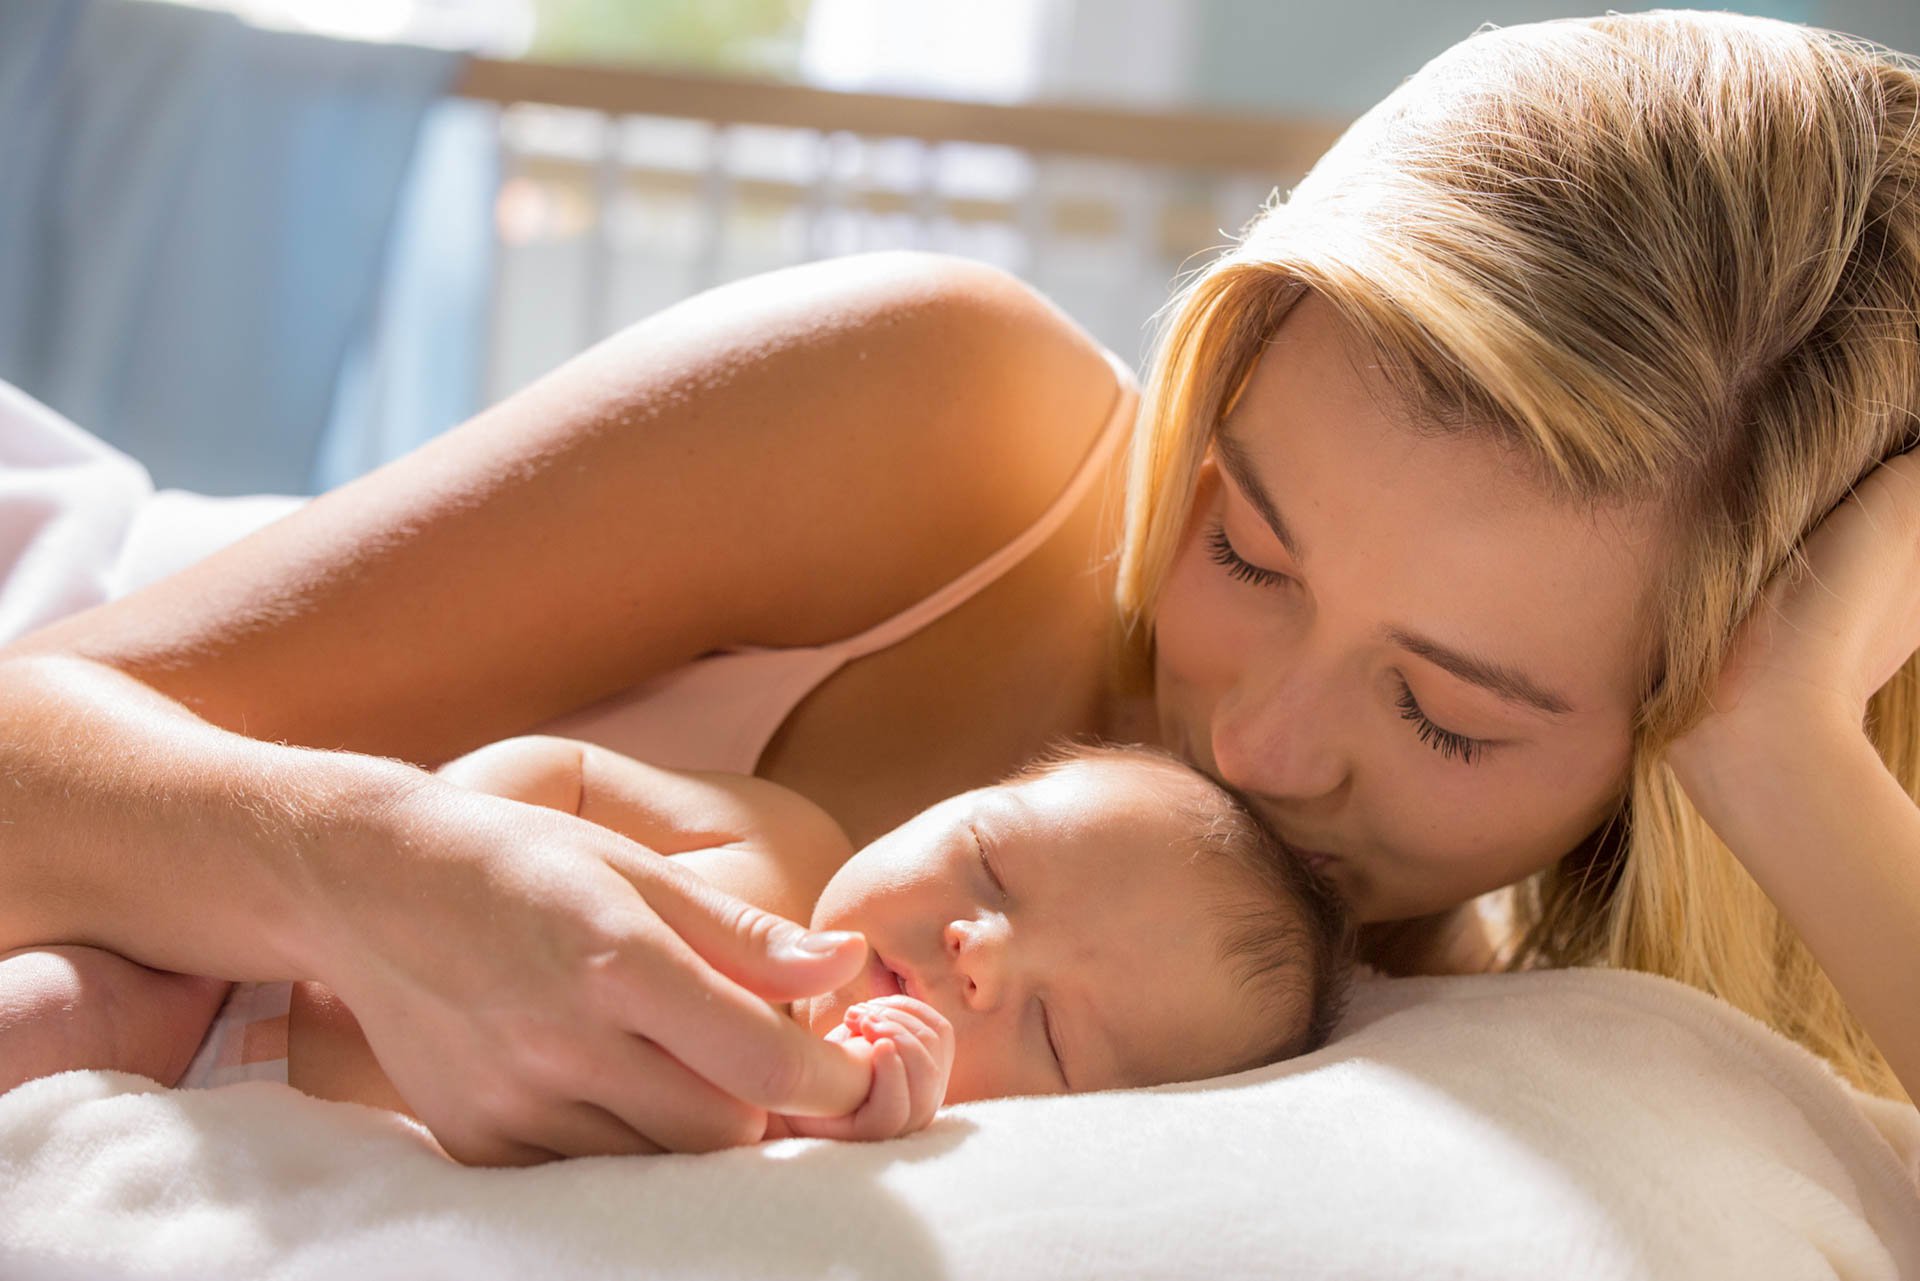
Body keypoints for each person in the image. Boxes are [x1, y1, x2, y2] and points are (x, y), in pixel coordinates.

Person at [2, 9, 1918, 1165]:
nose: (1254, 733)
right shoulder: (948, 425)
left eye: (1451, 712)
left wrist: (1793, 751)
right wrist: (362, 863)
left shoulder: (1511, 1030)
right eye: (1244, 541)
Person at [172, 737, 1352, 1150]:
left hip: (265, 1106)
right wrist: (446, 849)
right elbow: (567, 775)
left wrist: (840, 1125)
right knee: (68, 1014)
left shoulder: (856, 1117)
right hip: (250, 968)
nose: (978, 950)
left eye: (1048, 1028)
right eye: (990, 865)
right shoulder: (776, 842)